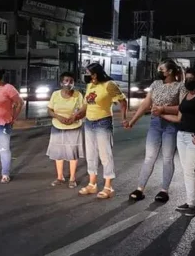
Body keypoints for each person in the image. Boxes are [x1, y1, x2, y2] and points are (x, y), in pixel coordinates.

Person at [125, 59, 185, 203]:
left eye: (161, 69)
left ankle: (164, 190)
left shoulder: (180, 87)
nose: (159, 72)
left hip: (171, 124)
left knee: (167, 158)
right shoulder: (156, 84)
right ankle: (140, 188)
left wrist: (163, 109)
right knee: (149, 157)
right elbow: (146, 103)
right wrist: (133, 121)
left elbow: (182, 107)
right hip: (155, 123)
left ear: (170, 71)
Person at [73, 63, 127, 199]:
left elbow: (122, 101)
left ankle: (108, 187)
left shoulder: (109, 85)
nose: (85, 75)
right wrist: (76, 115)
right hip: (89, 122)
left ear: (95, 74)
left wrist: (124, 118)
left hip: (103, 122)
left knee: (105, 155)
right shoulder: (90, 85)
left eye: (87, 73)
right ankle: (92, 184)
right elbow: (86, 105)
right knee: (90, 155)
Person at [161, 68, 195, 216]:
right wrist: (162, 114)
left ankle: (192, 205)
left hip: (193, 138)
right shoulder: (186, 95)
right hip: (181, 135)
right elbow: (179, 118)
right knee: (186, 171)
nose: (188, 81)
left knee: (189, 170)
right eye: (186, 78)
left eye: (191, 78)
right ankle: (190, 202)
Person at [46, 72, 85, 188]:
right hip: (57, 126)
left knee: (72, 153)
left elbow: (83, 110)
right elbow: (49, 110)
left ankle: (72, 178)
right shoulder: (55, 94)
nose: (68, 84)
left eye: (71, 81)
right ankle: (60, 177)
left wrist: (75, 118)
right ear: (61, 83)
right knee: (58, 153)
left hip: (74, 127)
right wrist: (58, 117)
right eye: (66, 81)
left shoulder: (78, 95)